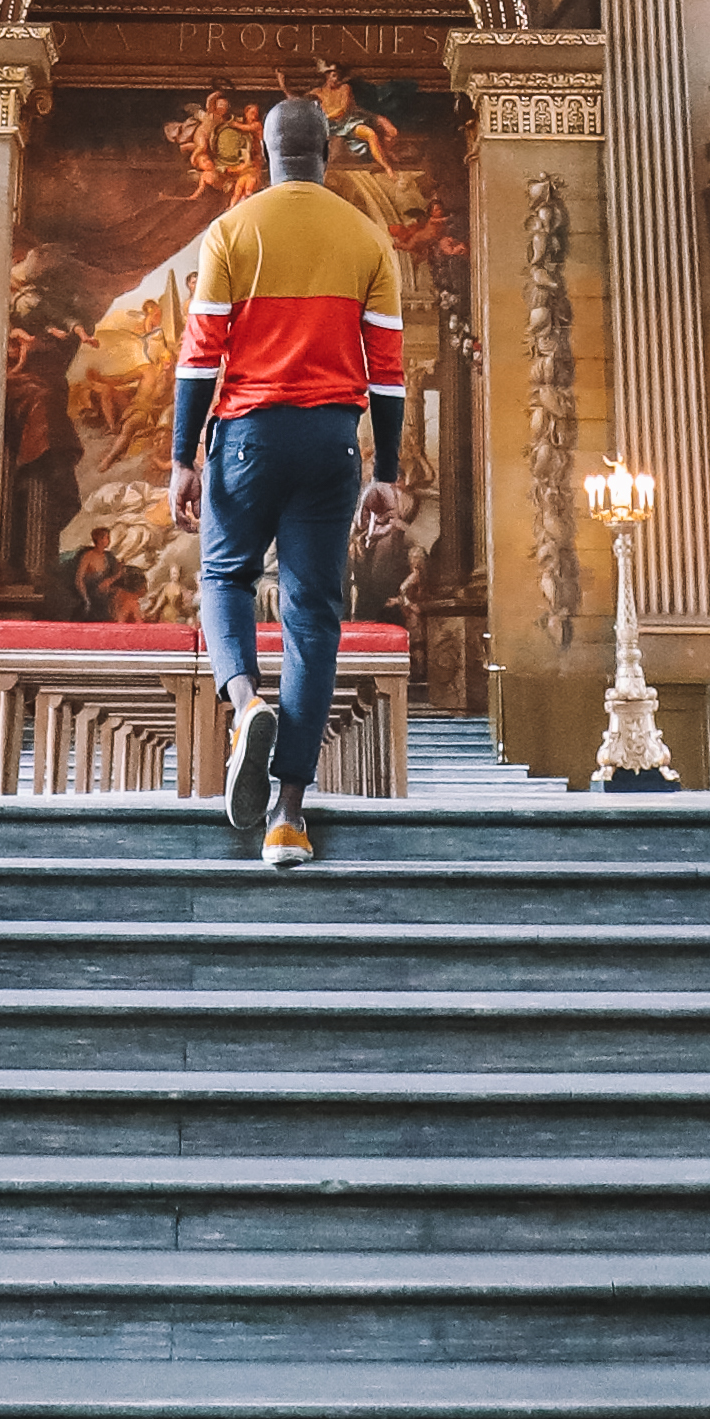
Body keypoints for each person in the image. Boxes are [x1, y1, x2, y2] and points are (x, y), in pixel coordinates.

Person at [170, 94, 406, 870]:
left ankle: (244, 706)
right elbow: (389, 375)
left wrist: (182, 455)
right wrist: (388, 474)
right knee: (314, 618)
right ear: (326, 155)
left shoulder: (232, 230)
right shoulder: (367, 236)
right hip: (332, 445)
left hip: (247, 436)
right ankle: (288, 815)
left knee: (224, 573)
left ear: (265, 154)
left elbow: (201, 355)